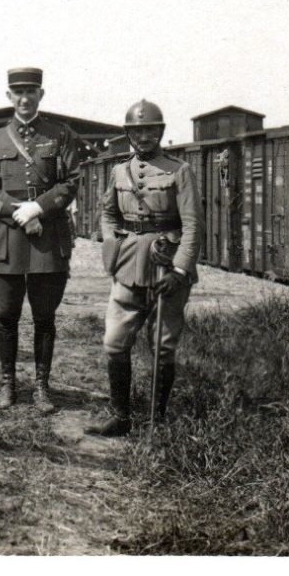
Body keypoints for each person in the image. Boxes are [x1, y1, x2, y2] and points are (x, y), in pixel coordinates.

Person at [87, 100, 201, 436]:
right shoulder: (119, 171)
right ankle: (120, 417)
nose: (144, 136)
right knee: (114, 341)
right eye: (137, 131)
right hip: (128, 266)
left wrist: (180, 271)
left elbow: (193, 225)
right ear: (128, 134)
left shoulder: (179, 171)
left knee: (162, 345)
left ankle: (156, 421)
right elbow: (108, 213)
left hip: (167, 266)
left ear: (161, 132)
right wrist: (113, 245)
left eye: (150, 129)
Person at [0, 67, 83, 414]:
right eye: (17, 93)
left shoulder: (60, 134)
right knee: (6, 314)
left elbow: (70, 182)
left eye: (31, 92)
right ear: (9, 97)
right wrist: (15, 211)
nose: (24, 99)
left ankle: (41, 387)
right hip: (7, 237)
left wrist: (38, 207)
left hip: (47, 236)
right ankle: (8, 384)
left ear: (41, 94)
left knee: (44, 316)